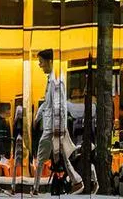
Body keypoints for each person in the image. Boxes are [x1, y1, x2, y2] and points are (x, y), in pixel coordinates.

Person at [32, 49, 83, 195]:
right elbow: (47, 104)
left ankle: (35, 189)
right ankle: (76, 182)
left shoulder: (56, 81)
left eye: (41, 62)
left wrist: (56, 128)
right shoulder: (51, 80)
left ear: (49, 61)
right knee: (62, 156)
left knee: (41, 157)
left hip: (51, 128)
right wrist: (37, 117)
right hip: (52, 126)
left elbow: (58, 106)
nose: (39, 65)